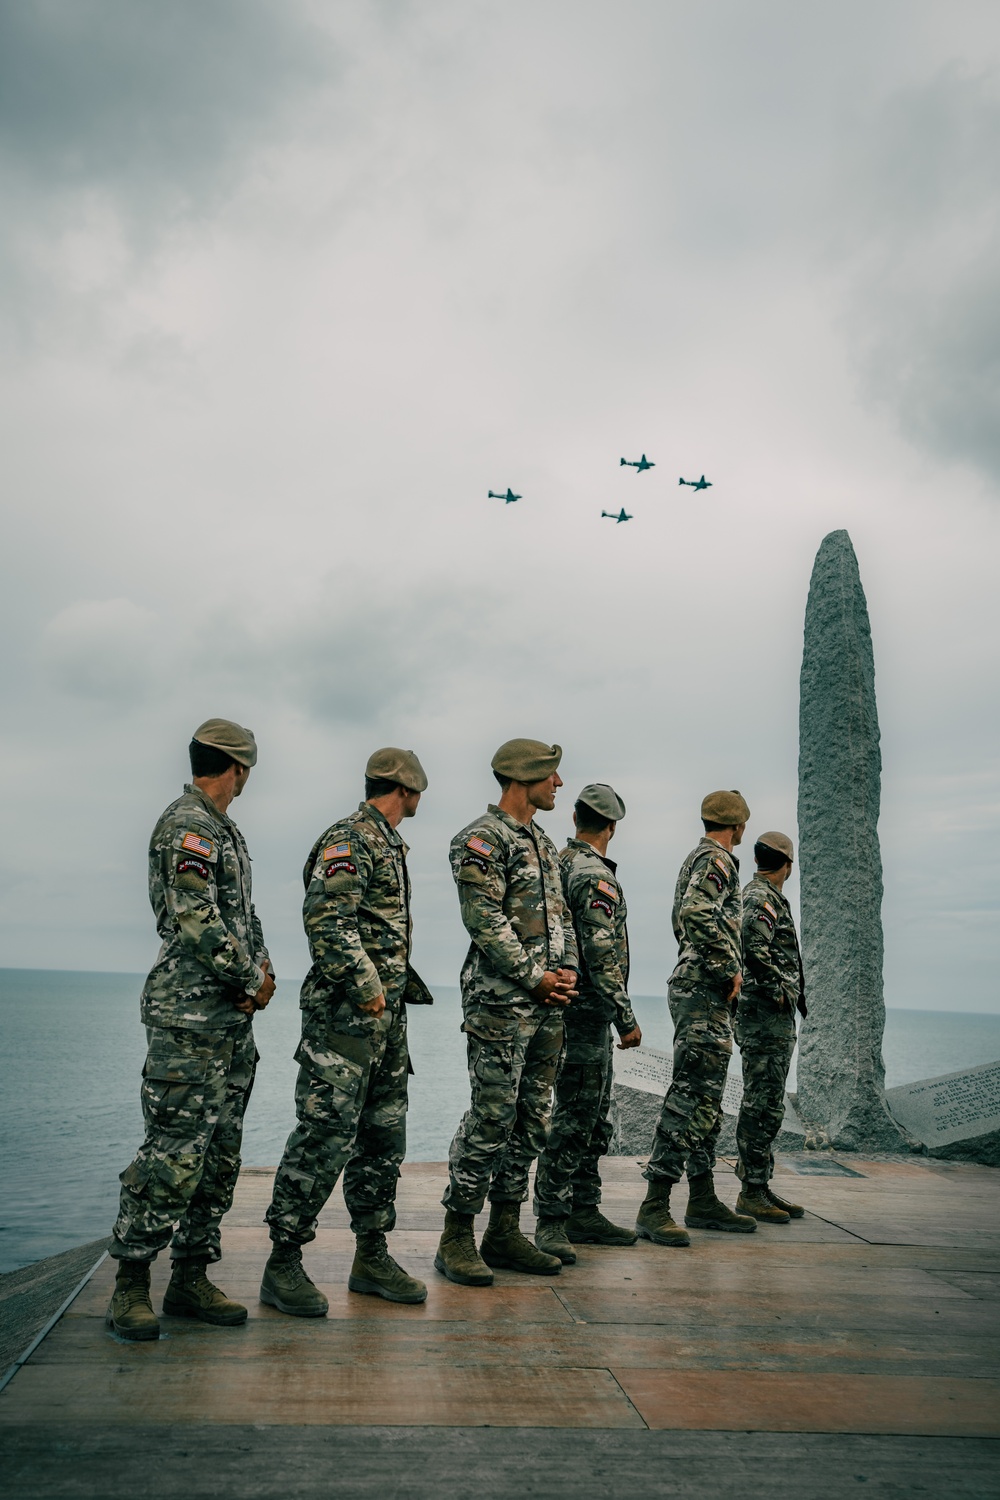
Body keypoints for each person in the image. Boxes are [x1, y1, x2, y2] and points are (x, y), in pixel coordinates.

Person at [107, 718, 275, 1342]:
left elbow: (242, 915)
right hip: (188, 1018)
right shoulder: (188, 825)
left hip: (229, 1019)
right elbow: (193, 916)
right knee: (173, 1153)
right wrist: (248, 975)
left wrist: (263, 968)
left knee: (219, 1154)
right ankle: (130, 1284)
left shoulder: (223, 829)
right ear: (238, 767)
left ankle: (190, 1278)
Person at [262, 748, 432, 1313]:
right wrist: (369, 988)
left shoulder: (387, 842)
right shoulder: (352, 837)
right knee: (323, 1136)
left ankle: (371, 1255)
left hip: (385, 1021)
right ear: (407, 788)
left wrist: (390, 997)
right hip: (346, 1020)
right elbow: (327, 921)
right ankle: (282, 1262)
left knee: (383, 1138)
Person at [435, 738, 579, 1285]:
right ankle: (456, 1237)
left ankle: (504, 1231)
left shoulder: (541, 842)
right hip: (501, 1003)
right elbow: (484, 919)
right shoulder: (480, 839)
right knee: (492, 1116)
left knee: (531, 1118)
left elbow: (559, 918)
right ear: (525, 777)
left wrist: (564, 970)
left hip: (547, 1003)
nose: (559, 785)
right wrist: (534, 976)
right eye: (553, 775)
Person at [636, 789, 757, 1244]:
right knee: (691, 1097)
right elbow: (693, 913)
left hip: (700, 987)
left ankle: (703, 1198)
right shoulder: (718, 860)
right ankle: (654, 1205)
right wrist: (727, 966)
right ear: (738, 826)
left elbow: (679, 918)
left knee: (707, 1098)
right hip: (704, 989)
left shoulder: (696, 858)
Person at [533, 784, 642, 1263]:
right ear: (612, 827)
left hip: (567, 1010)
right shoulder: (593, 872)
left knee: (590, 1118)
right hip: (585, 1014)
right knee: (576, 1119)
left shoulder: (558, 862)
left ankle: (583, 1209)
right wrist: (626, 1017)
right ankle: (553, 1220)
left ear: (575, 816)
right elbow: (600, 952)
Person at [733, 831, 806, 1223]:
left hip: (772, 1019)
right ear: (787, 864)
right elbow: (750, 944)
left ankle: (759, 1185)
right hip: (763, 1019)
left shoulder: (769, 897)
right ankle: (751, 1192)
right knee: (761, 1104)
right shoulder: (760, 896)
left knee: (769, 1104)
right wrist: (778, 986)